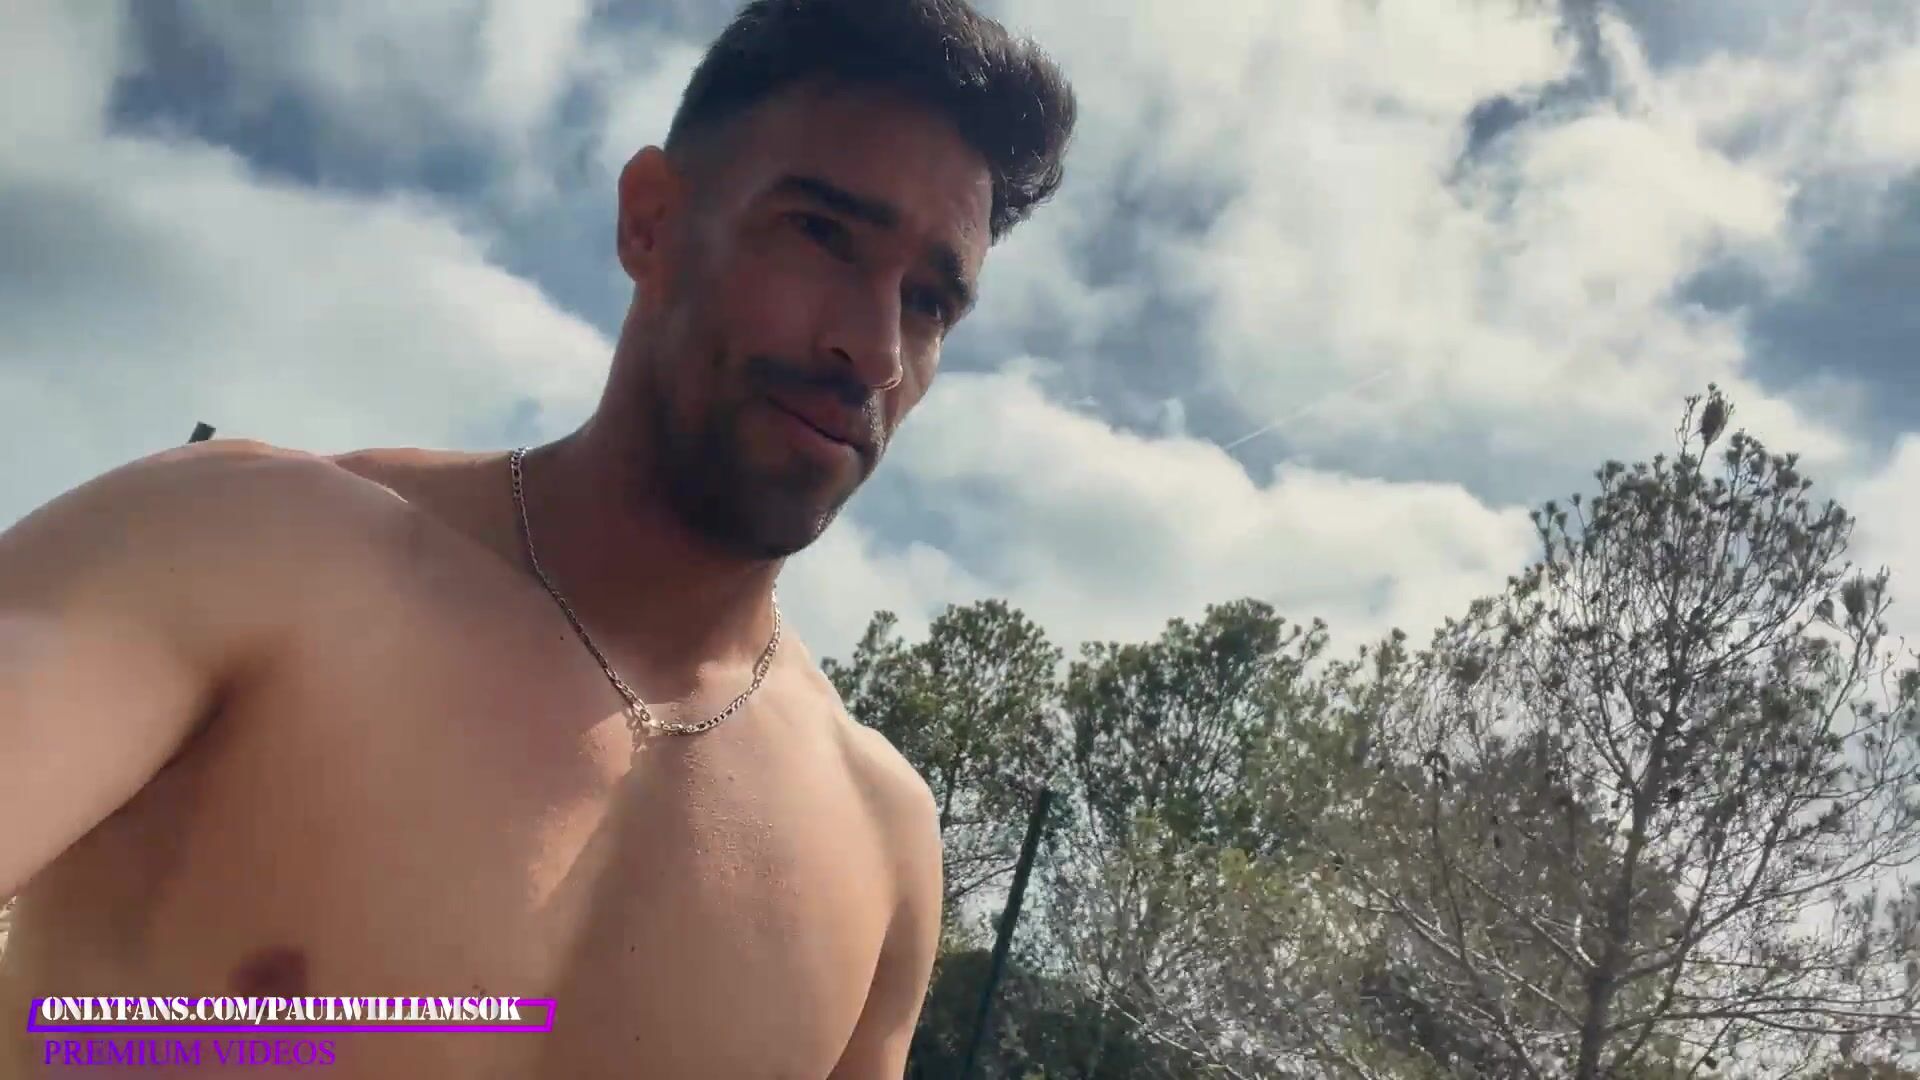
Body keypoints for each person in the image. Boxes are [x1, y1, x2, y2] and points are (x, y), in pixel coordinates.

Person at [0, 0, 1076, 1073]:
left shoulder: (883, 844)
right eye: (821, 234)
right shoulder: (244, 548)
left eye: (929, 302)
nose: (875, 350)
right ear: (650, 222)